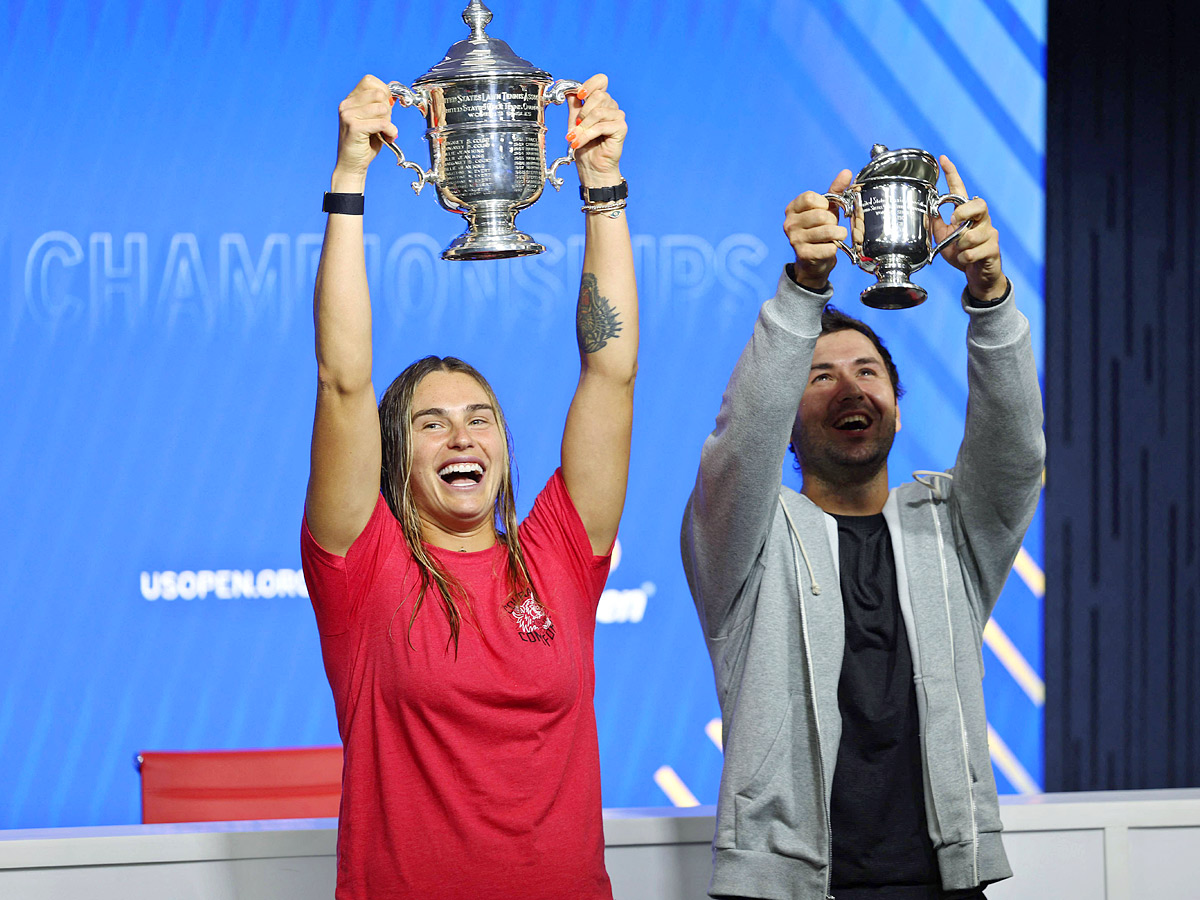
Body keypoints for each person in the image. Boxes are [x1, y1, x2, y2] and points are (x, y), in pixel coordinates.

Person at [300, 73, 636, 900]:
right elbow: (344, 381)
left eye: (481, 418)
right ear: (395, 457)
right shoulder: (362, 565)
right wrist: (350, 174)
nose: (462, 436)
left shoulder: (560, 550)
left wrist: (601, 184)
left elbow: (611, 371)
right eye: (430, 422)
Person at [680, 159, 1045, 900]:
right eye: (820, 377)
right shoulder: (746, 543)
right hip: (787, 887)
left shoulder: (949, 529)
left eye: (868, 373)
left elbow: (1015, 452)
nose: (850, 387)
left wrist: (989, 299)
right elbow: (738, 447)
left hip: (946, 880)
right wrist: (804, 290)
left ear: (898, 410)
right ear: (788, 412)